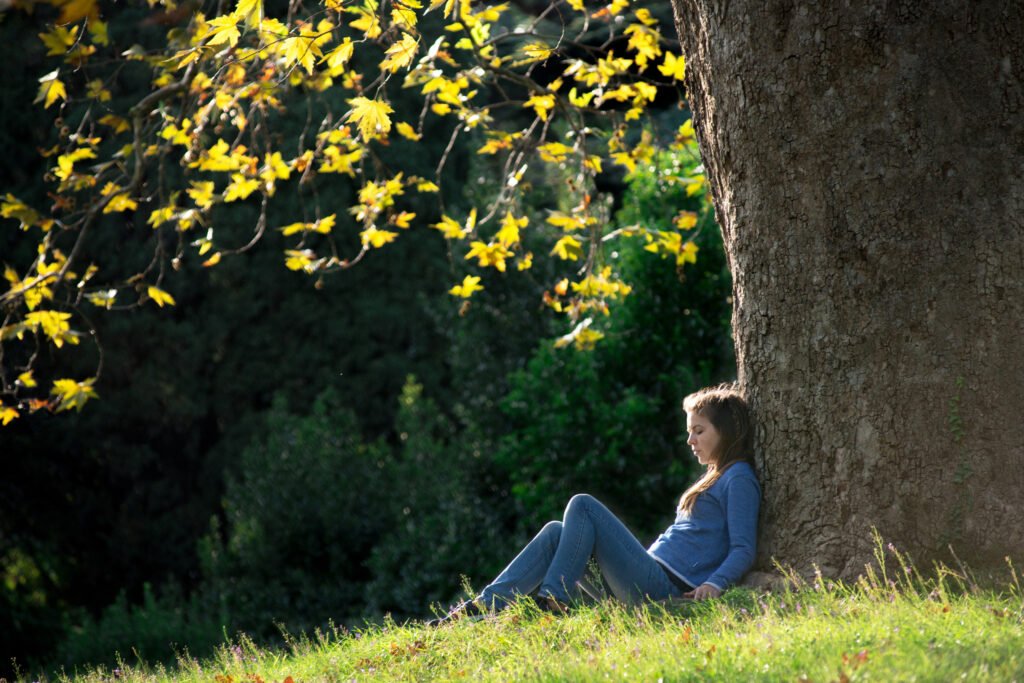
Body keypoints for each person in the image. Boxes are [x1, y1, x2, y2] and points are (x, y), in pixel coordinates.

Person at [429, 383, 761, 624]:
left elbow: (743, 547)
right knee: (556, 532)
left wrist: (715, 583)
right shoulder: (715, 477)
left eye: (699, 431)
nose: (690, 441)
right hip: (641, 577)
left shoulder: (739, 477)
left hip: (663, 587)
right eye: (690, 432)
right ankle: (483, 606)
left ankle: (554, 597)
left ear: (726, 431)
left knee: (583, 505)